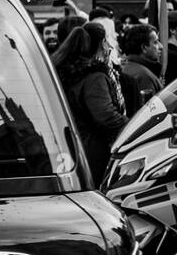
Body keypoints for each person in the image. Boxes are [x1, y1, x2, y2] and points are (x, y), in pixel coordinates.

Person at [52, 22, 128, 179]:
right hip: (93, 152)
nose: (110, 48)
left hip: (68, 146)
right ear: (101, 44)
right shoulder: (94, 77)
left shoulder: (66, 71)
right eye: (107, 41)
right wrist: (133, 126)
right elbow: (107, 117)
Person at [118, 23, 163, 112]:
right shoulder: (143, 76)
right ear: (144, 47)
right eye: (155, 42)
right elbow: (150, 112)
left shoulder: (131, 68)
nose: (161, 46)